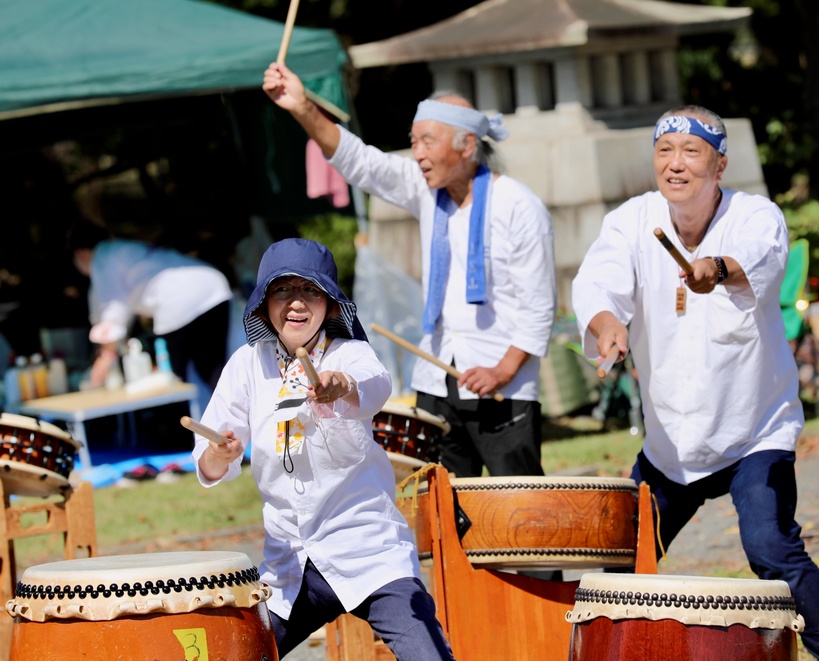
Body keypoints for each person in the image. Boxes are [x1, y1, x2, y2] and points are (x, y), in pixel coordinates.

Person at [571, 107, 819, 661]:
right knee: (622, 561)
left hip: (753, 429)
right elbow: (598, 283)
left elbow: (761, 262)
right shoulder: (631, 220)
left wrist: (715, 269)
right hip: (671, 443)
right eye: (664, 151)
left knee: (771, 548)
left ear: (720, 164)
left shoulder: (754, 215)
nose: (675, 165)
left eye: (691, 152)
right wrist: (607, 328)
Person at [263, 62, 557, 479]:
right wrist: (302, 107)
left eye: (427, 142)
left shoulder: (519, 206)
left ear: (467, 145)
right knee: (442, 506)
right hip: (437, 377)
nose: (417, 153)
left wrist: (503, 370)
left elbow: (540, 304)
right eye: (413, 141)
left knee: (517, 508)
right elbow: (361, 161)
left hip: (503, 385)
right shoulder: (426, 189)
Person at [192, 237, 454, 660]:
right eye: (282, 290)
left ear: (331, 305)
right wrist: (219, 455)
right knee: (238, 655)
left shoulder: (351, 354)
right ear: (262, 305)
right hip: (289, 563)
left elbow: (373, 387)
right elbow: (209, 454)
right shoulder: (246, 364)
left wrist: (340, 386)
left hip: (367, 549)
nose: (296, 302)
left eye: (310, 290)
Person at [67, 220, 232, 390]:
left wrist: (105, 357)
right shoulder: (119, 250)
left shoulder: (102, 257)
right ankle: (238, 413)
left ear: (79, 253)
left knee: (179, 380)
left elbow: (113, 310)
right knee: (213, 370)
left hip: (180, 302)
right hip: (213, 286)